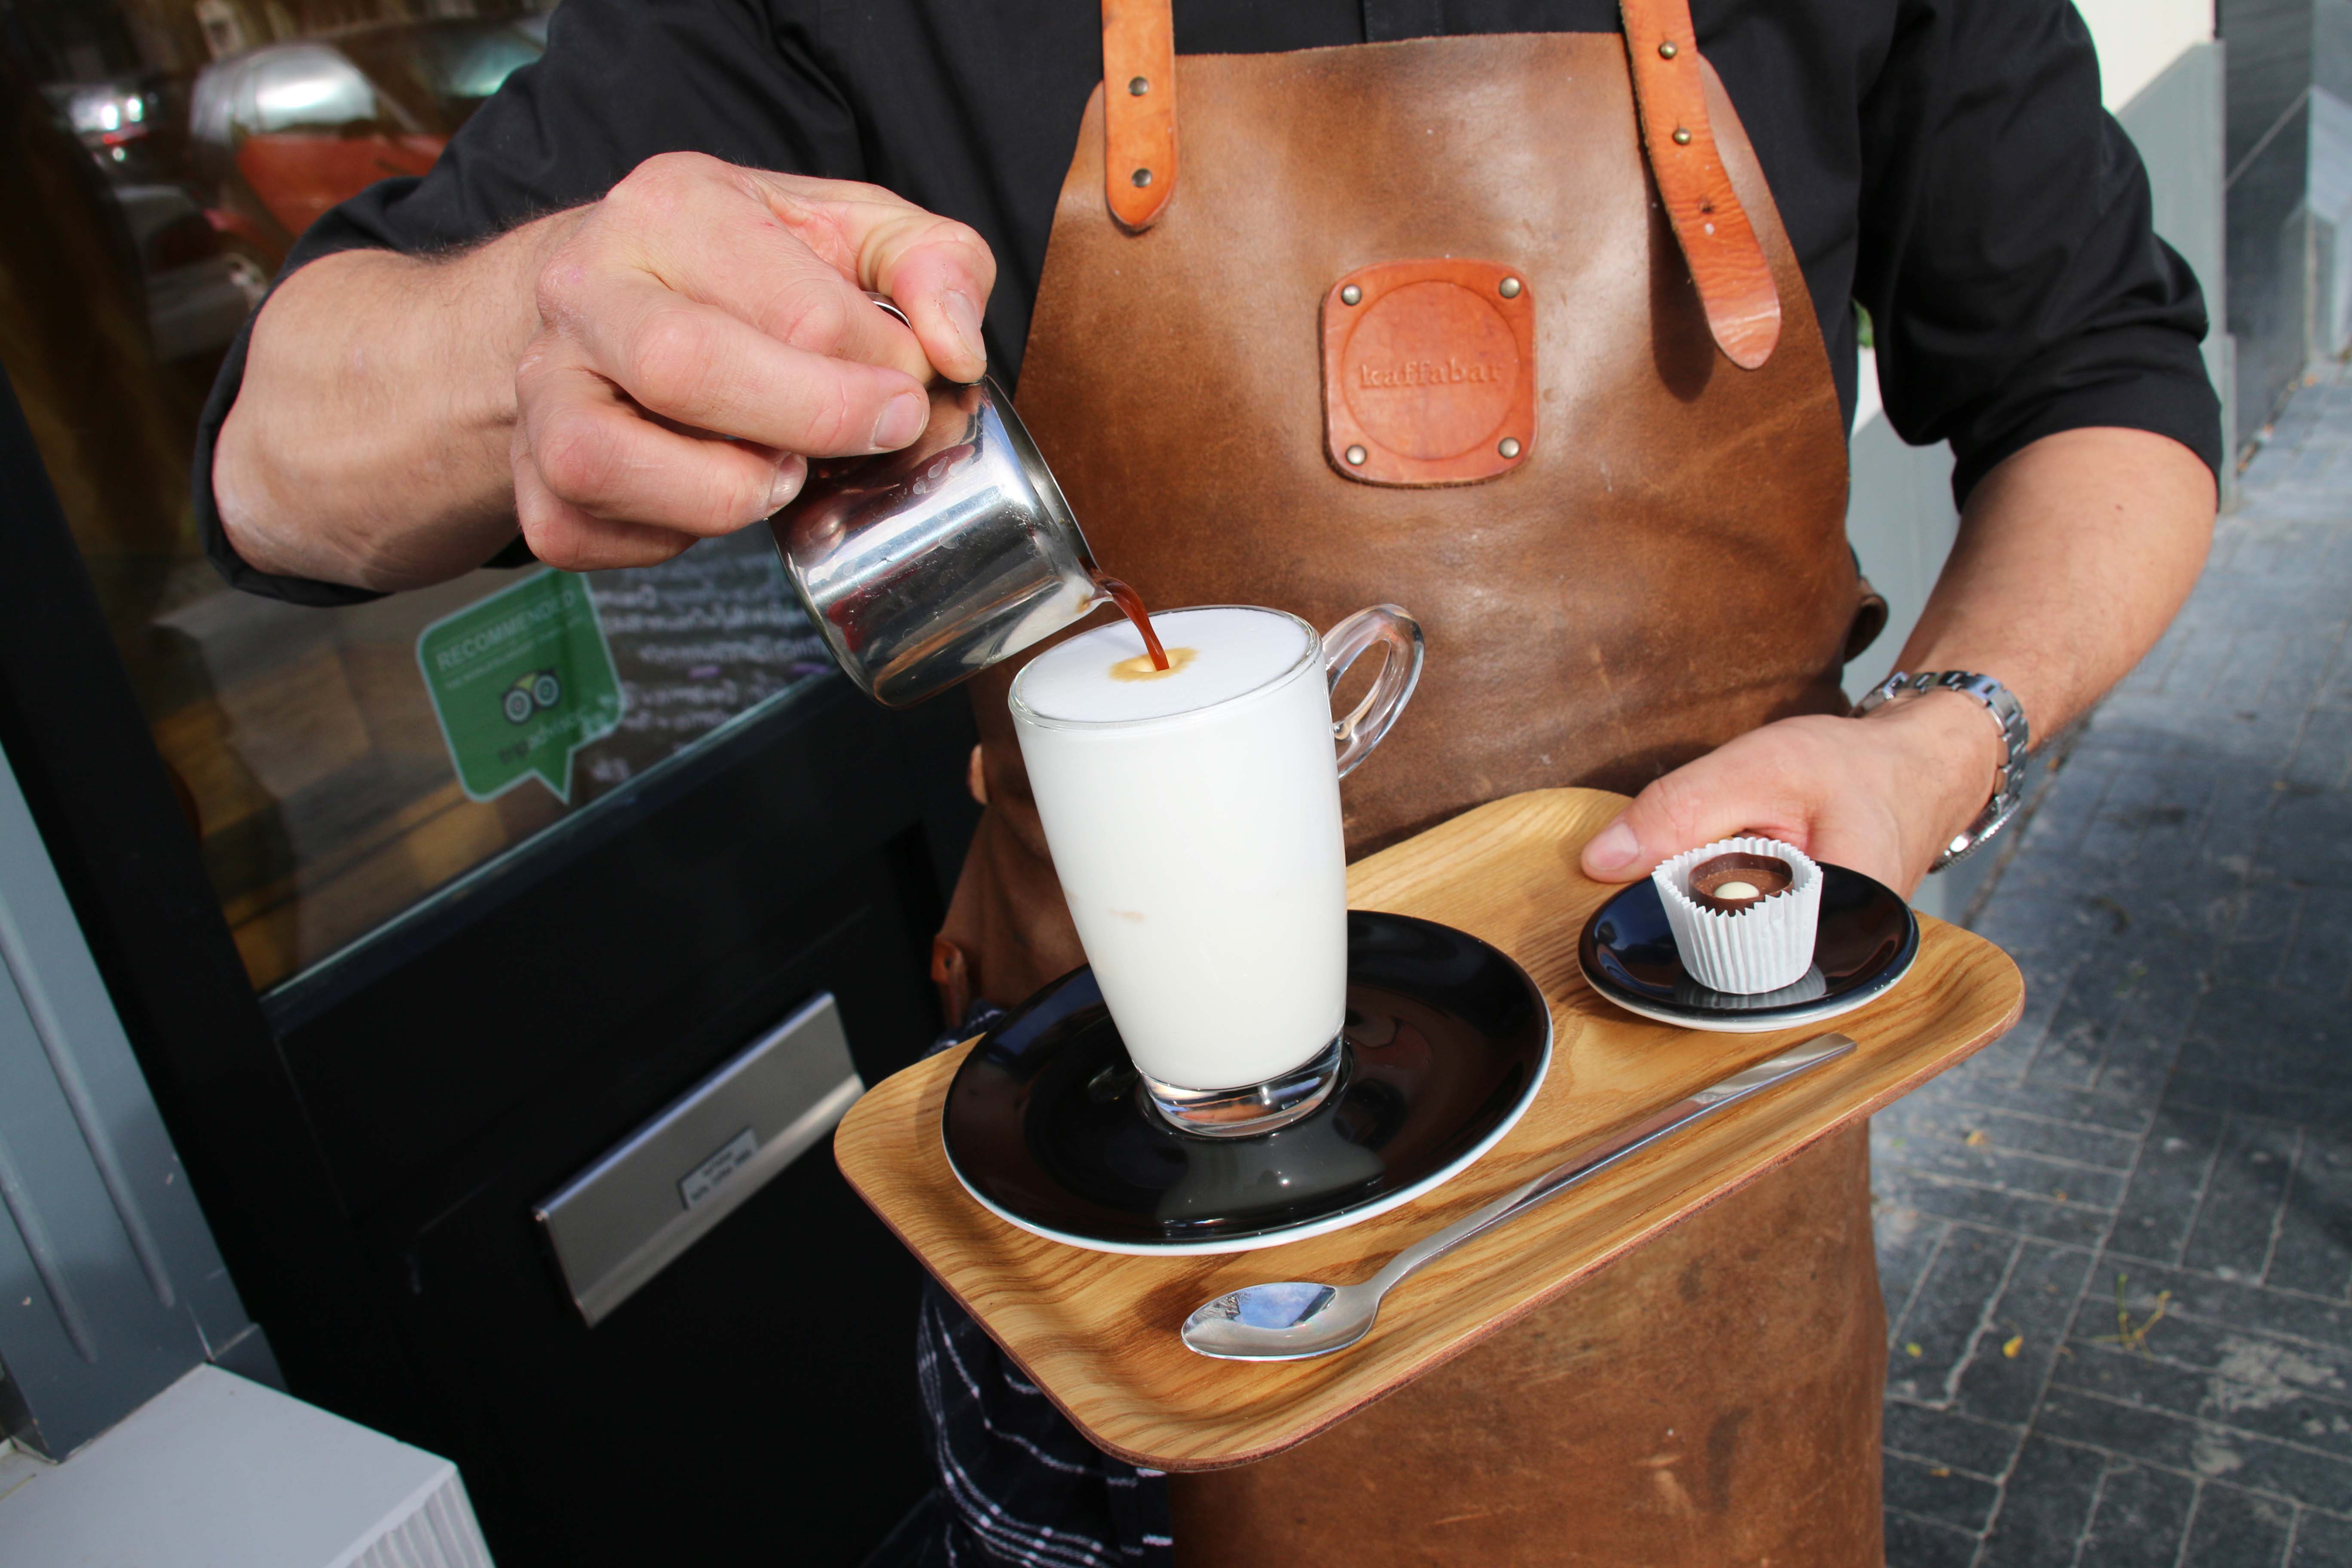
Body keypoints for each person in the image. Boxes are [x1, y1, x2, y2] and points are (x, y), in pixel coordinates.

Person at [202, 1, 2221, 1562]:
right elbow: (278, 458)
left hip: (1689, 1183)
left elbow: (2109, 385)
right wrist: (530, 331)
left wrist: (1942, 741)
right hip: (1127, 1248)